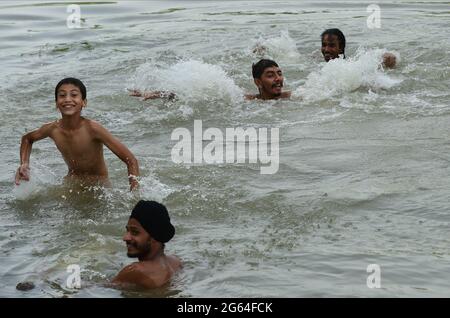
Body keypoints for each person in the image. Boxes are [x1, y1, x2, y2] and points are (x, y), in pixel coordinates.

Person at [14, 77, 139, 191]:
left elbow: (131, 160)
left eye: (74, 95)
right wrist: (24, 164)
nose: (68, 99)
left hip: (98, 185)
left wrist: (134, 193)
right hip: (72, 182)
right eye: (62, 95)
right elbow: (27, 139)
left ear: (84, 102)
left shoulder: (93, 129)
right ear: (56, 103)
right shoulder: (53, 129)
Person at [129, 59, 291, 101]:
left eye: (279, 73)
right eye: (270, 75)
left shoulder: (291, 97)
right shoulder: (247, 100)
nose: (278, 79)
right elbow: (193, 95)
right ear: (258, 82)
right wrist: (158, 93)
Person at [112, 200, 182, 289]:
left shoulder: (136, 271)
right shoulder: (176, 262)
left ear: (154, 237)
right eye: (127, 230)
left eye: (135, 232)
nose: (125, 237)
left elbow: (98, 289)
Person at [320, 28, 397, 68]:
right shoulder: (322, 64)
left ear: (341, 48)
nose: (326, 49)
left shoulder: (350, 67)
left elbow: (391, 58)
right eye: (324, 45)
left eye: (331, 45)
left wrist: (387, 58)